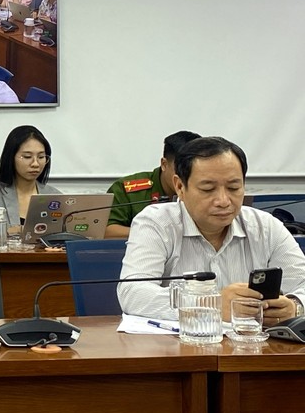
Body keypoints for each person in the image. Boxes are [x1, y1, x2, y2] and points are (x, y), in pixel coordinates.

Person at [118, 136, 305, 324]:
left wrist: (295, 306)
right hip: (179, 348)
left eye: (234, 187)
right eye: (208, 189)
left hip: (254, 348)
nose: (223, 201)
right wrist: (210, 304)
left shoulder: (266, 227)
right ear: (180, 186)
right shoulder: (156, 223)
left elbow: (302, 283)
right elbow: (133, 293)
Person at [105, 130, 201, 238]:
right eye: (181, 170)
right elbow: (108, 231)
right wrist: (154, 232)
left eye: (194, 170)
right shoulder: (127, 189)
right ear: (164, 164)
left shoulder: (208, 191)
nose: (187, 177)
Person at [0, 125, 61, 232]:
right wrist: (11, 231)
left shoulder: (55, 196)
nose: (35, 164)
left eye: (41, 157)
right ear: (11, 157)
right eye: (27, 157)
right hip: (6, 249)